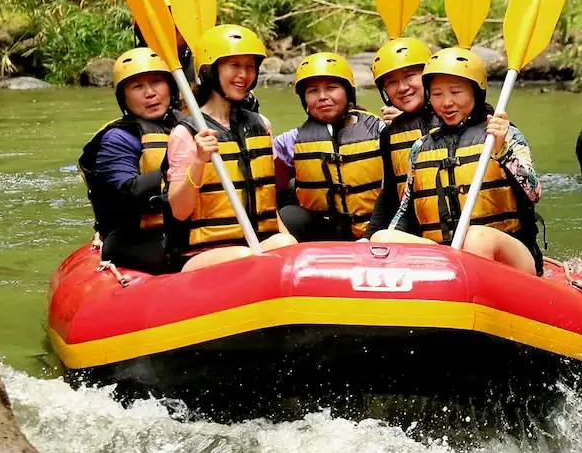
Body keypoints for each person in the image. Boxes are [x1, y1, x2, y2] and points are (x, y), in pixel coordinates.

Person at [371, 47, 544, 274]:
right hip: (447, 257)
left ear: (475, 92)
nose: (446, 103)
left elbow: (534, 193)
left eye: (456, 92)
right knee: (382, 238)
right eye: (437, 94)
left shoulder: (503, 135)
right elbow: (405, 212)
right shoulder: (420, 147)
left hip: (509, 255)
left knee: (476, 237)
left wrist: (503, 151)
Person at [164, 24, 297, 272]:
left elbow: (266, 200)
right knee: (243, 255)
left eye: (249, 66)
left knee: (285, 244)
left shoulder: (261, 125)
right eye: (234, 65)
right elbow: (179, 212)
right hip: (203, 254)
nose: (243, 75)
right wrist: (199, 161)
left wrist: (290, 242)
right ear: (211, 71)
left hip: (257, 245)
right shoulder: (187, 133)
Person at [78, 47, 183, 273]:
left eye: (157, 82)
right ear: (123, 97)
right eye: (137, 87)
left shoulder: (192, 125)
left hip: (188, 228)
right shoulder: (118, 138)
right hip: (136, 238)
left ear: (171, 87)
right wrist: (184, 167)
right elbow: (127, 192)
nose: (150, 93)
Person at [276, 53, 385, 241]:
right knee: (289, 214)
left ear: (348, 92)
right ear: (304, 99)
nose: (322, 97)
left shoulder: (379, 130)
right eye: (313, 91)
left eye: (331, 88)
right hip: (323, 232)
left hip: (372, 230)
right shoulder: (290, 140)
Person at [360, 37, 438, 238]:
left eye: (410, 76)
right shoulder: (390, 133)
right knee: (379, 238)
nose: (402, 88)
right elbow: (390, 195)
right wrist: (367, 237)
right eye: (391, 82)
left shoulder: (462, 119)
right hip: (416, 234)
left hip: (469, 234)